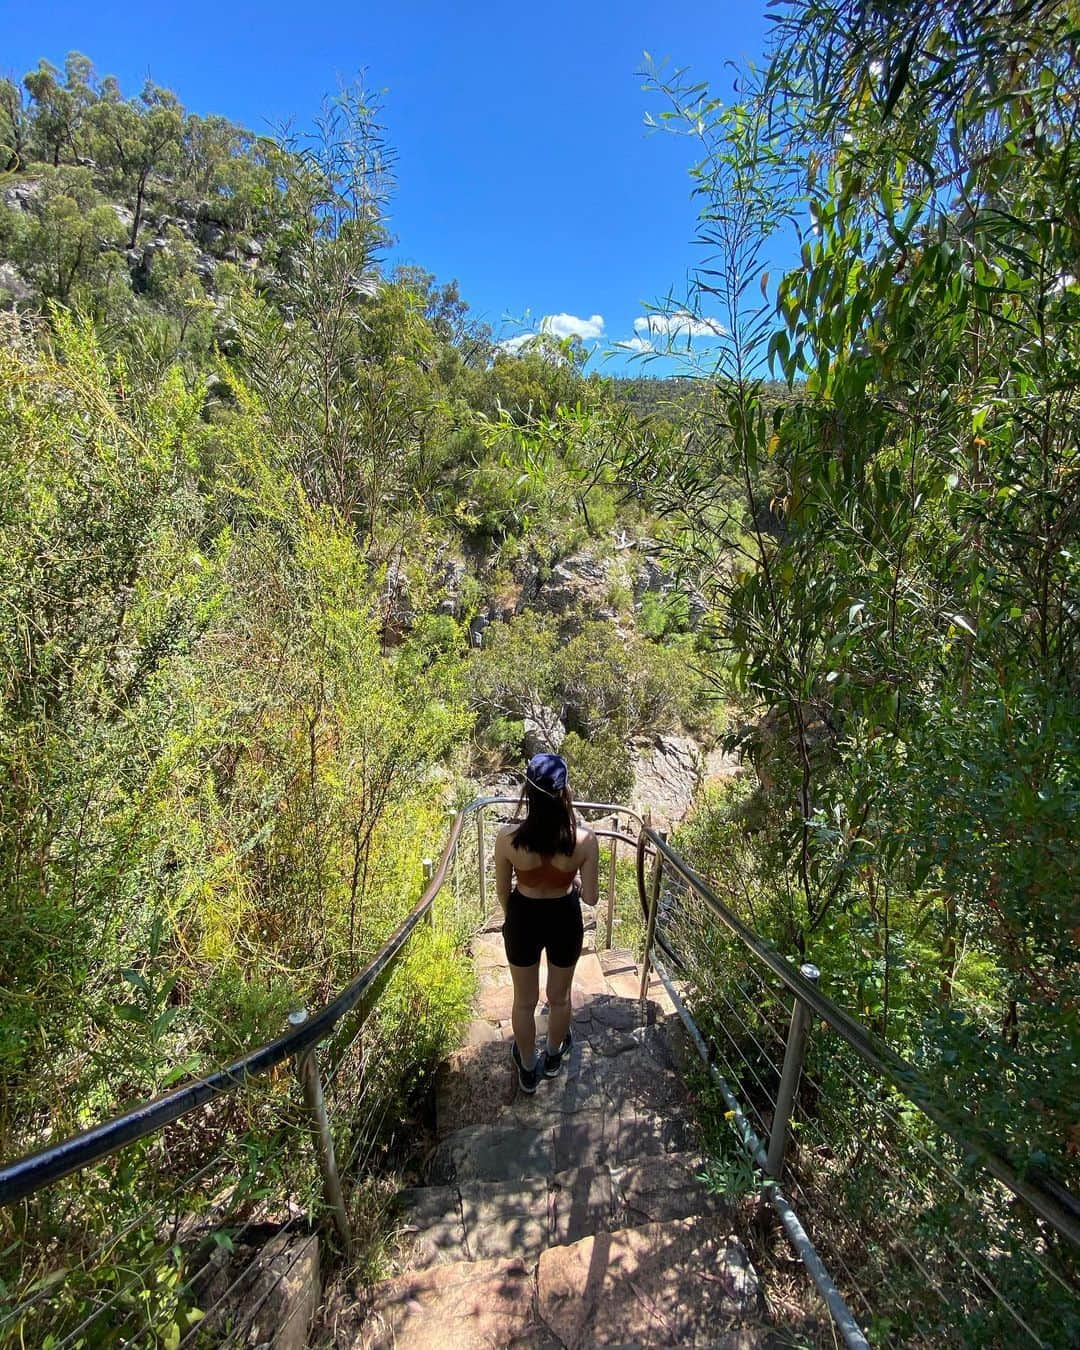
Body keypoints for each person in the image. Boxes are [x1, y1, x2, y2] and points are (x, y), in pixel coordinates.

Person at [494, 752, 599, 1093]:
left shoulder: (507, 839)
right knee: (559, 997)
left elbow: (502, 893)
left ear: (528, 791)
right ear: (564, 792)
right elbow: (592, 898)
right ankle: (553, 1057)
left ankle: (527, 1067)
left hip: (524, 916)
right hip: (564, 917)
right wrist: (572, 882)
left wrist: (518, 917)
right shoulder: (584, 840)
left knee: (524, 1001)